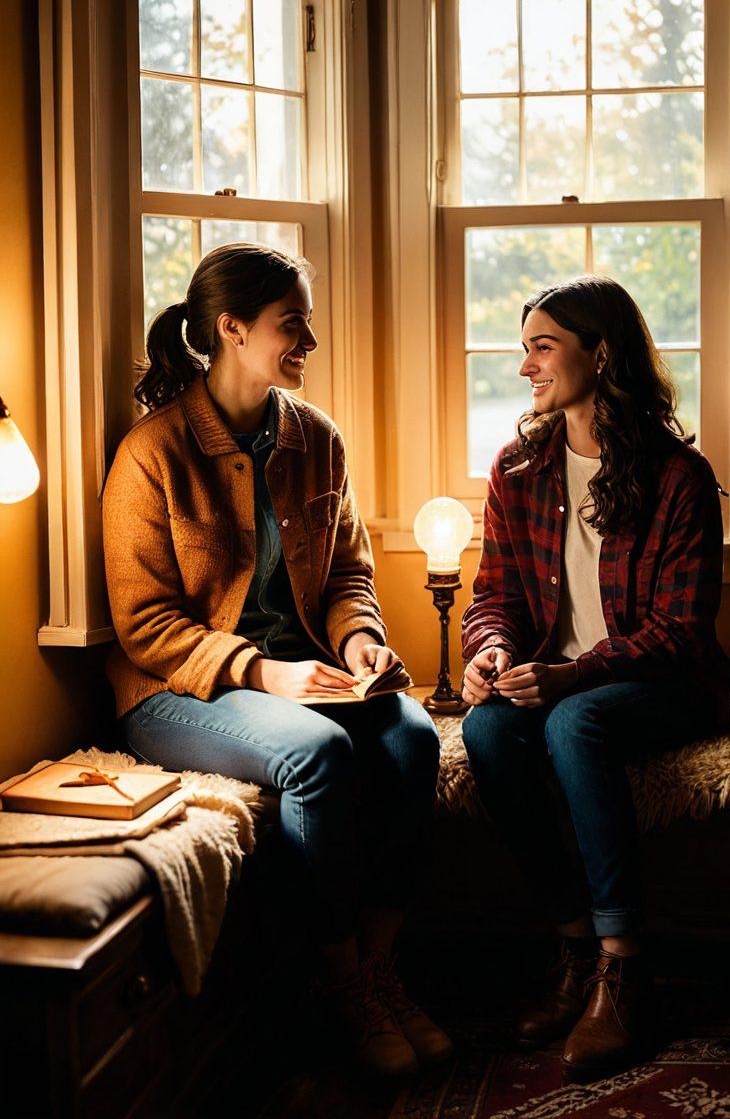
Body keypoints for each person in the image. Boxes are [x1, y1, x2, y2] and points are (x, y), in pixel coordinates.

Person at [102, 243, 451, 1081]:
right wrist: (262, 673)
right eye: (293, 324)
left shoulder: (316, 437)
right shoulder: (152, 452)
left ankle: (378, 968)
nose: (310, 341)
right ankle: (339, 983)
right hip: (177, 689)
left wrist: (360, 639)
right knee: (317, 752)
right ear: (232, 329)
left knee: (414, 739)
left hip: (307, 672)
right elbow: (144, 625)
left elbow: (348, 574)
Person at [460, 275, 730, 1083]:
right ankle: (574, 946)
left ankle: (624, 965)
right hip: (558, 678)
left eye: (542, 348)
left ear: (601, 353)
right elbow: (494, 596)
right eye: (525, 349)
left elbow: (679, 633)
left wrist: (573, 676)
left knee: (573, 721)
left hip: (666, 683)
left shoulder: (679, 477)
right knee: (486, 730)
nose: (525, 368)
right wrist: (491, 650)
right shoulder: (518, 468)